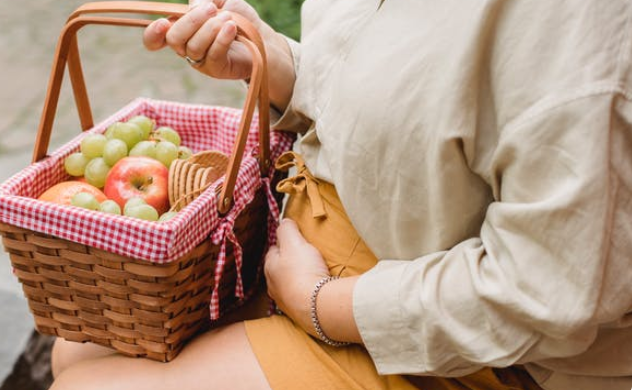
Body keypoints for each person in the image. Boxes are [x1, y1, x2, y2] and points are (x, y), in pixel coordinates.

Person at [49, 0, 632, 389]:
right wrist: (282, 67)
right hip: (309, 260)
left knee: (85, 385)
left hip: (460, 352)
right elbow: (400, 95)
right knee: (76, 347)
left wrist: (318, 302)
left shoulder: (578, 33)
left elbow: (546, 291)